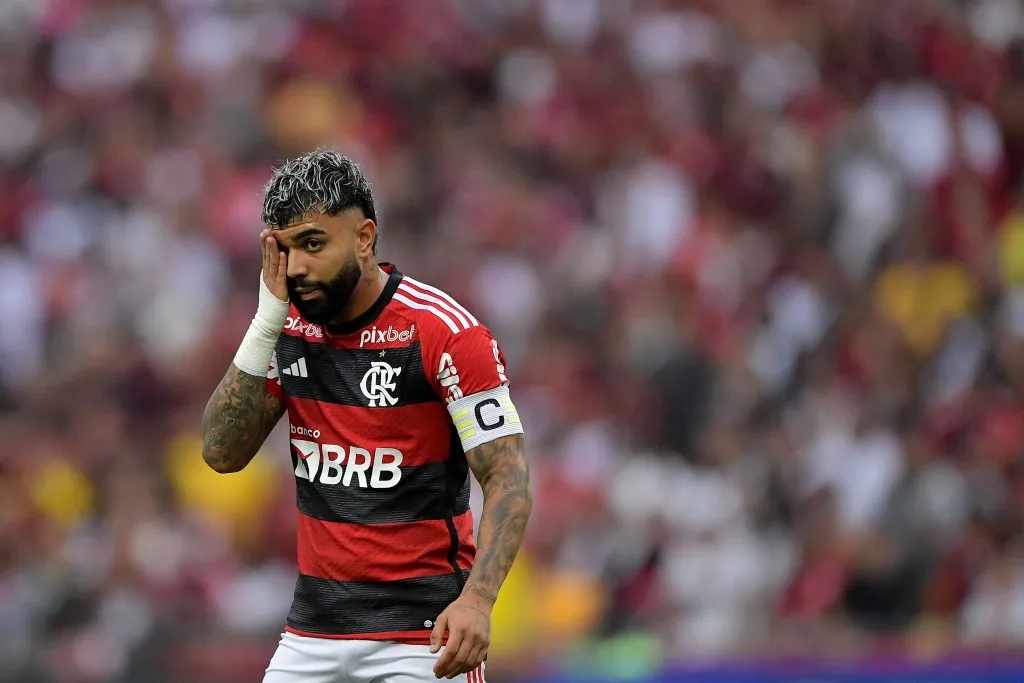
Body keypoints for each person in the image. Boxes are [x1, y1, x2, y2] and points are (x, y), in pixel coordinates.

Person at [200, 149, 532, 683]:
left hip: (422, 639)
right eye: (284, 250)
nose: (299, 267)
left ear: (364, 237)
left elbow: (507, 476)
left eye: (313, 244)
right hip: (311, 638)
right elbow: (220, 453)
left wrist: (478, 602)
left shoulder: (446, 334)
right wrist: (265, 321)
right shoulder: (285, 329)